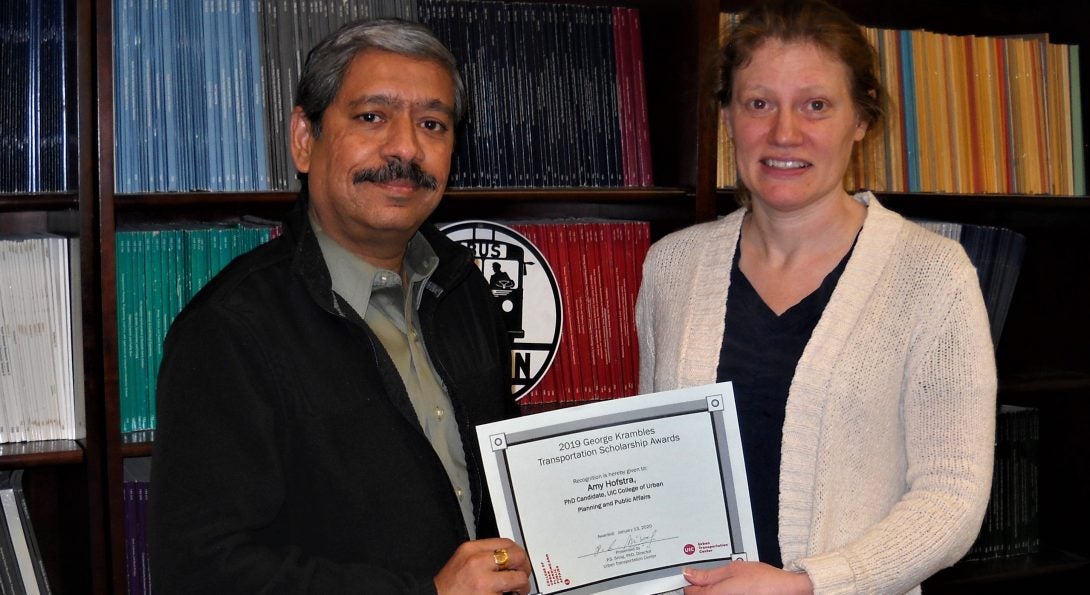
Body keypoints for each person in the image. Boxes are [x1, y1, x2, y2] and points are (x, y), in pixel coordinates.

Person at [149, 19, 531, 594]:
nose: (405, 148)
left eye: (432, 123)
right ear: (305, 138)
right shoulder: (230, 329)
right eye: (372, 117)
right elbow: (203, 570)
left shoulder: (464, 291)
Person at [636, 0, 996, 593]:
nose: (784, 132)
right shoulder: (672, 266)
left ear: (861, 119)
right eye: (758, 103)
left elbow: (950, 500)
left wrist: (808, 584)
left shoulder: (933, 275)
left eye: (816, 105)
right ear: (726, 116)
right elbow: (655, 457)